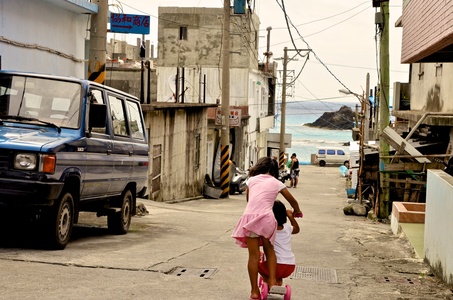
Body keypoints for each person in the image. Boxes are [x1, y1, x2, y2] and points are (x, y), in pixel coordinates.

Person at [231, 157, 302, 300]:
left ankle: (254, 291)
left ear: (259, 167)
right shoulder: (277, 183)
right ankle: (271, 282)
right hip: (267, 220)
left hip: (250, 218)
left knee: (253, 256)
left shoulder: (251, 181)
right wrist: (297, 211)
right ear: (274, 171)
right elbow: (292, 200)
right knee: (270, 252)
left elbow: (249, 200)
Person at [258, 200, 300, 286]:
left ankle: (267, 280)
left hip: (274, 266)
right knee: (275, 256)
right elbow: (297, 229)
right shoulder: (287, 228)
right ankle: (279, 280)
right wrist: (290, 216)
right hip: (290, 266)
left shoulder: (267, 229)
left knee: (256, 258)